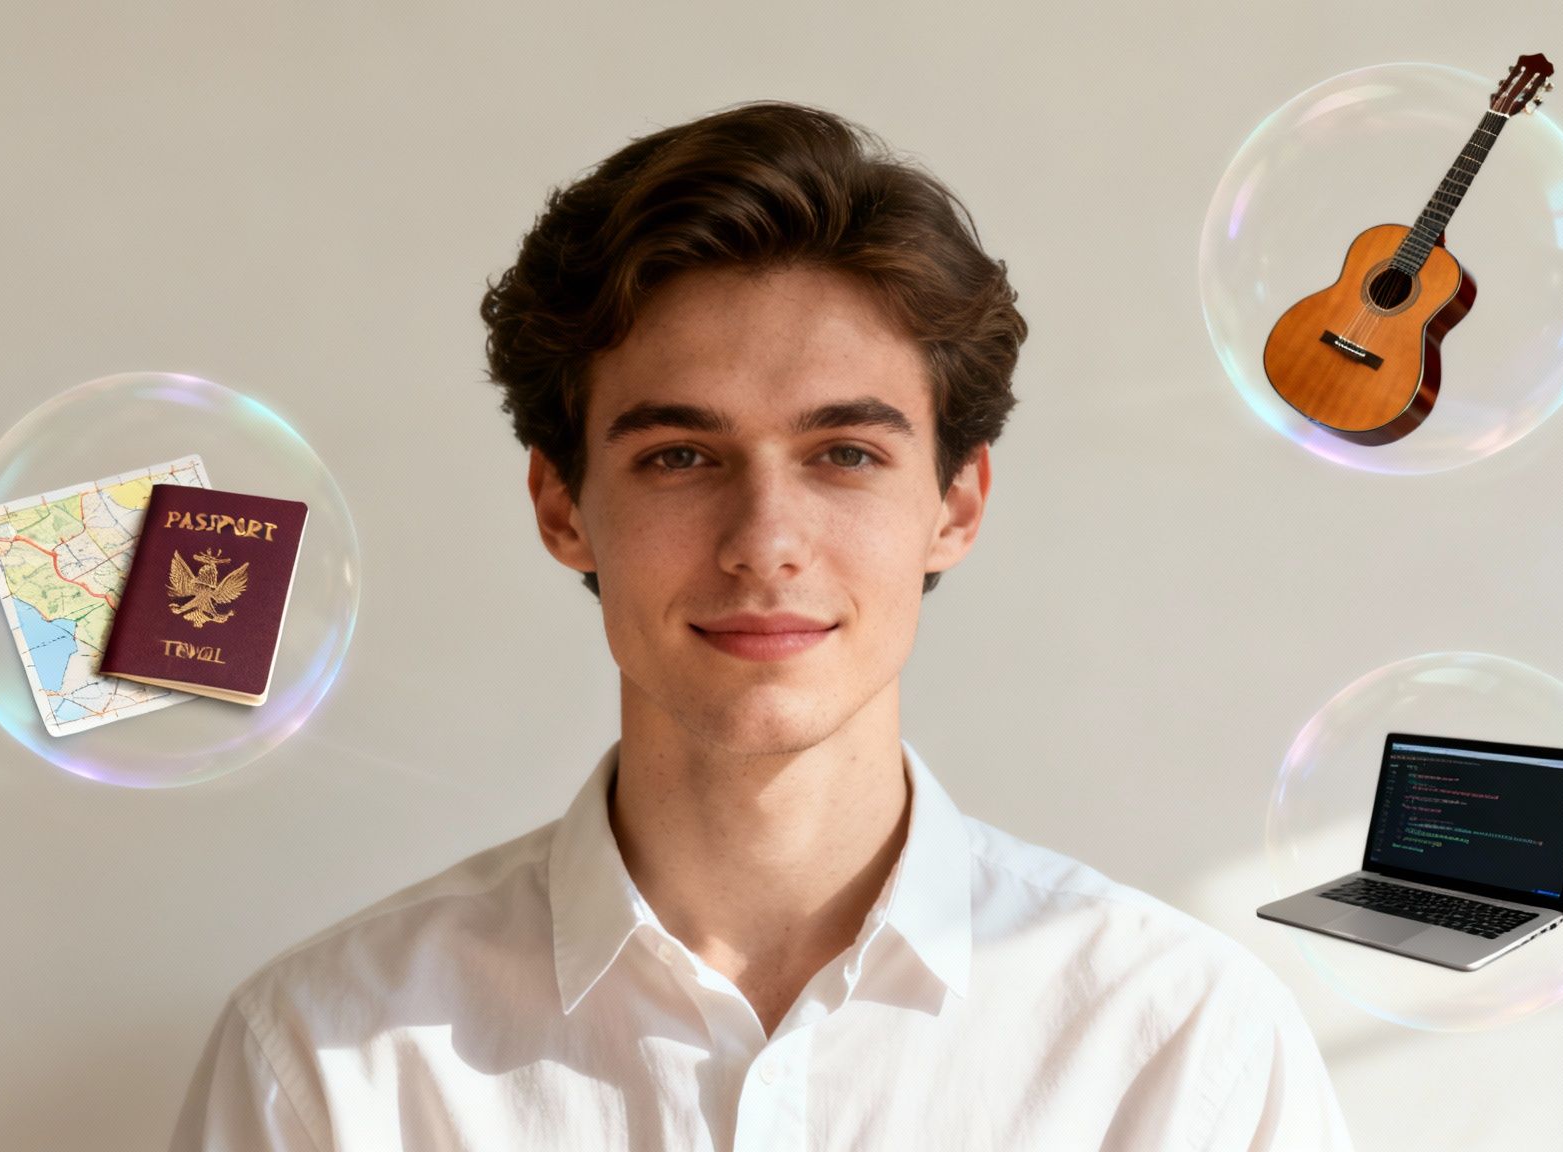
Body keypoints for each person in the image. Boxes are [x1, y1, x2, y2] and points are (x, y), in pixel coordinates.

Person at [171, 100, 1353, 1151]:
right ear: (562, 505)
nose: (764, 539)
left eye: (844, 453)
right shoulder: (323, 1060)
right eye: (679, 455)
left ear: (953, 504)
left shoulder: (1183, 1047)